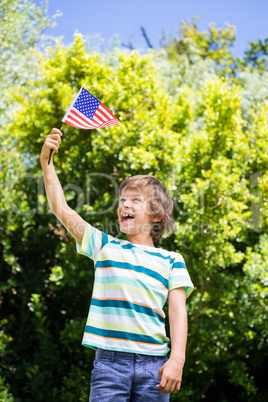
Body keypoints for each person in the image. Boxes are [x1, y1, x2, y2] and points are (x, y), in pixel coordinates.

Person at [40, 128, 194, 401]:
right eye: (122, 200)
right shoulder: (105, 246)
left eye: (136, 199)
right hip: (109, 365)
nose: (125, 204)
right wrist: (46, 163)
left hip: (155, 366)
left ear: (157, 215)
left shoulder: (172, 260)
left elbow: (178, 313)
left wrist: (177, 360)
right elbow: (60, 208)